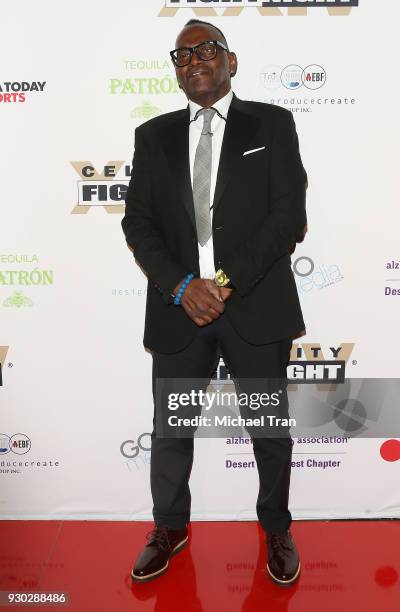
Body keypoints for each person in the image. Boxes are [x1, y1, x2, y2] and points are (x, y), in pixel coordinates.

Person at [121, 19, 307, 587]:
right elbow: (139, 224)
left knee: (268, 430)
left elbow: (287, 219)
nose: (193, 61)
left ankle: (276, 527)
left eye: (206, 50)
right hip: (180, 311)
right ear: (176, 70)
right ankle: (169, 527)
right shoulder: (152, 136)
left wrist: (222, 282)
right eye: (181, 56)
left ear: (231, 60)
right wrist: (183, 287)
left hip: (254, 306)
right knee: (172, 431)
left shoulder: (272, 124)